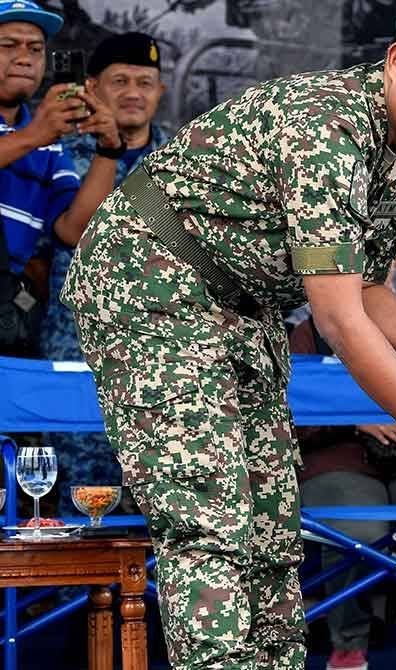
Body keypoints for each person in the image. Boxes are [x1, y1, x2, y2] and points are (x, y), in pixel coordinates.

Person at [60, 5, 396, 669]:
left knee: (273, 525)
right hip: (154, 283)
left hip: (245, 305)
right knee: (210, 519)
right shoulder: (329, 125)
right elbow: (336, 320)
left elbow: (363, 288)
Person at [39, 30, 170, 516]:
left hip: (162, 362)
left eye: (146, 81)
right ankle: (77, 596)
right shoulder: (57, 153)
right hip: (78, 355)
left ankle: (146, 597)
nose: (134, 92)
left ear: (160, 91)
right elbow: (75, 231)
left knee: (161, 507)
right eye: (119, 80)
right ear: (91, 87)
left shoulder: (184, 163)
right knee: (82, 501)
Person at [288, 316, 396, 670]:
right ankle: (348, 643)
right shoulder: (308, 333)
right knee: (355, 532)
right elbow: (290, 413)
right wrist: (354, 416)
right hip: (339, 456)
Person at [0, 0, 122, 358]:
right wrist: (33, 136)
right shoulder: (40, 134)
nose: (24, 57)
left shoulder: (49, 142)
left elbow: (74, 231)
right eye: (8, 45)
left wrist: (109, 150)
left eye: (35, 49)